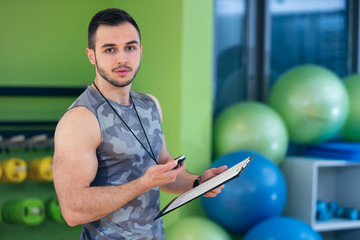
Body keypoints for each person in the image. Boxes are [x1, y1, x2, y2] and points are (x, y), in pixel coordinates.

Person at [52, 8, 227, 240]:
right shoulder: (81, 120)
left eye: (130, 47)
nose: (122, 58)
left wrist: (197, 182)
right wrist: (143, 183)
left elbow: (165, 172)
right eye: (110, 49)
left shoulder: (150, 105)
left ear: (140, 51)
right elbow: (72, 211)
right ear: (91, 55)